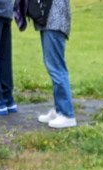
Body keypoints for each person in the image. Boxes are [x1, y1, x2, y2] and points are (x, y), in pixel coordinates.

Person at [36, 0, 76, 129]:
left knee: (56, 68)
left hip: (54, 21)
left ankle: (66, 114)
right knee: (53, 67)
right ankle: (59, 109)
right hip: (49, 21)